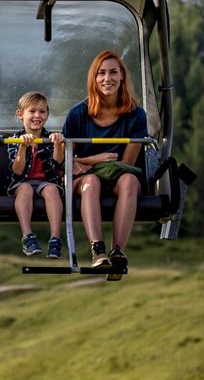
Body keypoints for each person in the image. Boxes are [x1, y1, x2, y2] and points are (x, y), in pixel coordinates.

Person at [61, 50, 148, 271]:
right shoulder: (78, 114)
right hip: (84, 179)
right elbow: (67, 160)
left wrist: (87, 162)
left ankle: (117, 250)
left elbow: (125, 164)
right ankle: (97, 249)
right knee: (92, 183)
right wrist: (96, 159)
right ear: (94, 78)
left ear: (122, 77)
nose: (106, 79)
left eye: (112, 73)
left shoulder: (136, 115)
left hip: (117, 176)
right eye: (101, 73)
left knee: (129, 181)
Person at [5, 91, 65, 259]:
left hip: (44, 182)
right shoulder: (15, 139)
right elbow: (17, 170)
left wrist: (59, 145)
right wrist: (23, 147)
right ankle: (28, 236)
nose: (37, 116)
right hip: (22, 181)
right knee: (25, 189)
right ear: (20, 114)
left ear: (47, 115)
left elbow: (56, 165)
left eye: (42, 111)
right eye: (32, 111)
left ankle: (55, 238)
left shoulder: (49, 137)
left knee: (52, 190)